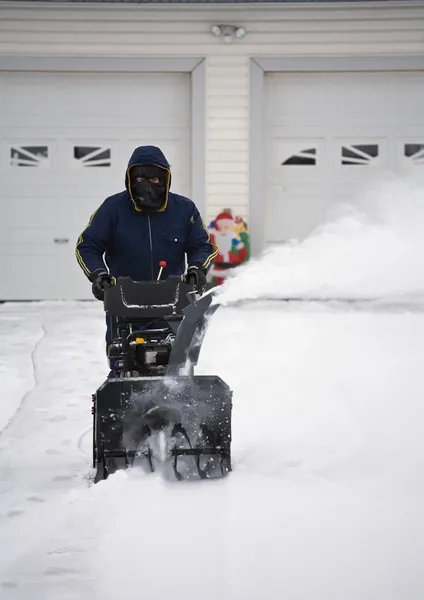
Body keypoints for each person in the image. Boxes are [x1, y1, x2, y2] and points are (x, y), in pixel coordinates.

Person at [75, 145, 218, 341]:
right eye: (140, 180)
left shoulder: (184, 210)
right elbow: (87, 245)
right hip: (124, 303)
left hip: (173, 303)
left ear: (165, 179)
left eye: (154, 179)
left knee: (176, 361)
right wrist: (99, 275)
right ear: (130, 180)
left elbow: (202, 245)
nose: (148, 186)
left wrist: (197, 268)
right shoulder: (112, 209)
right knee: (125, 358)